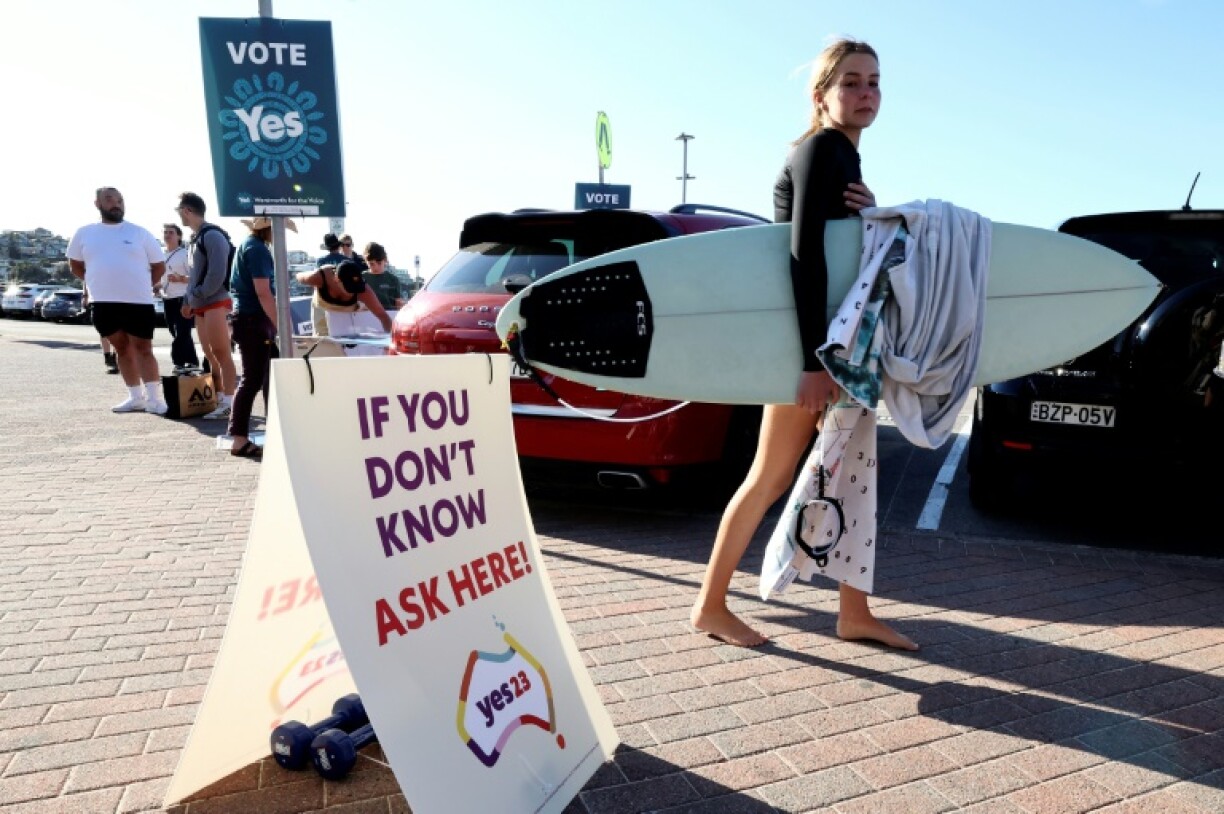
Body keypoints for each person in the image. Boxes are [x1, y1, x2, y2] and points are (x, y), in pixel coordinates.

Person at [690, 39, 917, 651]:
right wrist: (811, 362)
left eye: (873, 82)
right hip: (818, 351)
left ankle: (855, 612)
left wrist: (874, 212)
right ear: (822, 96)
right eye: (851, 83)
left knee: (849, 474)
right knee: (769, 475)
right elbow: (803, 259)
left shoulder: (844, 157)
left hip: (837, 349)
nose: (865, 93)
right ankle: (710, 605)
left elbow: (848, 257)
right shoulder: (822, 149)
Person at [68, 187, 168, 414]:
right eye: (110, 199)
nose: (116, 204)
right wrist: (96, 280)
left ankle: (154, 399)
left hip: (138, 302)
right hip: (103, 302)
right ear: (98, 203)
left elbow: (159, 266)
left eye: (120, 200)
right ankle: (135, 397)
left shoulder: (139, 233)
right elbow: (74, 265)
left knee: (144, 348)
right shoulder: (84, 233)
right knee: (121, 349)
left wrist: (143, 285)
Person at [227, 216, 297, 459]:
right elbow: (263, 292)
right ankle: (238, 437)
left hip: (249, 318)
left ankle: (253, 434)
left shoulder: (250, 245)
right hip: (253, 319)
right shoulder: (257, 250)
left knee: (260, 379)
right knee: (253, 380)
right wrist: (281, 325)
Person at [177, 192, 236, 420]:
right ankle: (219, 396)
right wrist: (187, 300)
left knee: (222, 352)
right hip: (201, 303)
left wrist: (197, 295)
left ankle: (228, 401)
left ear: (187, 211)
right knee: (210, 353)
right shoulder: (194, 239)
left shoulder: (212, 236)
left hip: (216, 301)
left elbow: (217, 273)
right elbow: (193, 276)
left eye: (179, 211)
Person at [295, 259, 393, 336]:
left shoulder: (364, 291)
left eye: (356, 288)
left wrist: (390, 340)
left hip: (348, 315)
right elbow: (299, 276)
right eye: (349, 288)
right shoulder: (320, 277)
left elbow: (383, 316)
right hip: (322, 310)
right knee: (323, 342)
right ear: (337, 280)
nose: (352, 292)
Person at [159, 222, 200, 372]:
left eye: (171, 232)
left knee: (182, 331)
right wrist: (158, 287)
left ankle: (178, 362)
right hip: (167, 298)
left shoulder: (184, 254)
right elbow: (161, 278)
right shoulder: (161, 255)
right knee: (175, 331)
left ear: (179, 236)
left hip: (183, 298)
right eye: (165, 232)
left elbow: (195, 277)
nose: (167, 235)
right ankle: (193, 362)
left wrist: (181, 278)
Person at [312, 233, 348, 337]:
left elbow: (317, 280)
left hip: (324, 297)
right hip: (342, 298)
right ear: (338, 245)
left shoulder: (321, 261)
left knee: (321, 331)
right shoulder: (346, 261)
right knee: (342, 331)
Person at [361, 242, 405, 311]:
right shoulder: (361, 278)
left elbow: (399, 302)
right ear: (366, 262)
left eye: (379, 263)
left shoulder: (393, 279)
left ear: (385, 260)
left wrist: (401, 304)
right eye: (372, 264)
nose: (376, 267)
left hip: (389, 316)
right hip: (365, 317)